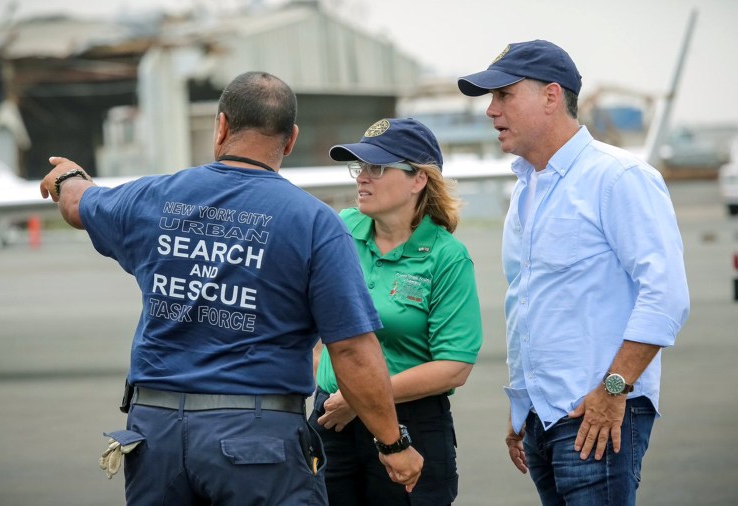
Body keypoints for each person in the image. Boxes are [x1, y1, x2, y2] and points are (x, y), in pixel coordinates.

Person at [39, 71, 423, 506]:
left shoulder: (151, 198)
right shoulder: (314, 224)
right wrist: (393, 444)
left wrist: (67, 177)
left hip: (155, 436)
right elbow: (352, 350)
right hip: (256, 445)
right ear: (291, 139)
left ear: (221, 126)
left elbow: (78, 202)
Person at [458, 40, 690, 505]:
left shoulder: (618, 177)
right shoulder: (527, 190)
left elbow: (665, 295)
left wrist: (613, 390)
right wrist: (523, 401)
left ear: (550, 96)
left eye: (504, 95)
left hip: (595, 413)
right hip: (543, 419)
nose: (491, 110)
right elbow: (527, 301)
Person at [309, 117, 483, 505]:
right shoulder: (339, 230)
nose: (361, 178)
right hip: (330, 422)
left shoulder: (446, 257)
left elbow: (454, 366)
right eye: (360, 167)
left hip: (411, 424)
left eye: (377, 168)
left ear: (418, 179)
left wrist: (361, 397)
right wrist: (325, 369)